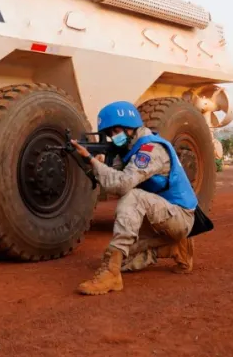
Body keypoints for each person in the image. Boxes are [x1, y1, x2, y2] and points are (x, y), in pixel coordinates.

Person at [72, 101, 197, 296]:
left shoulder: (150, 150)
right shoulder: (131, 152)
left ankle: (111, 275)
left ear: (130, 127)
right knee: (121, 260)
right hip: (159, 216)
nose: (114, 137)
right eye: (110, 133)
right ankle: (175, 248)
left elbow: (122, 185)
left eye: (116, 131)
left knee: (133, 196)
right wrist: (94, 164)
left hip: (180, 216)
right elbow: (111, 181)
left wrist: (91, 160)